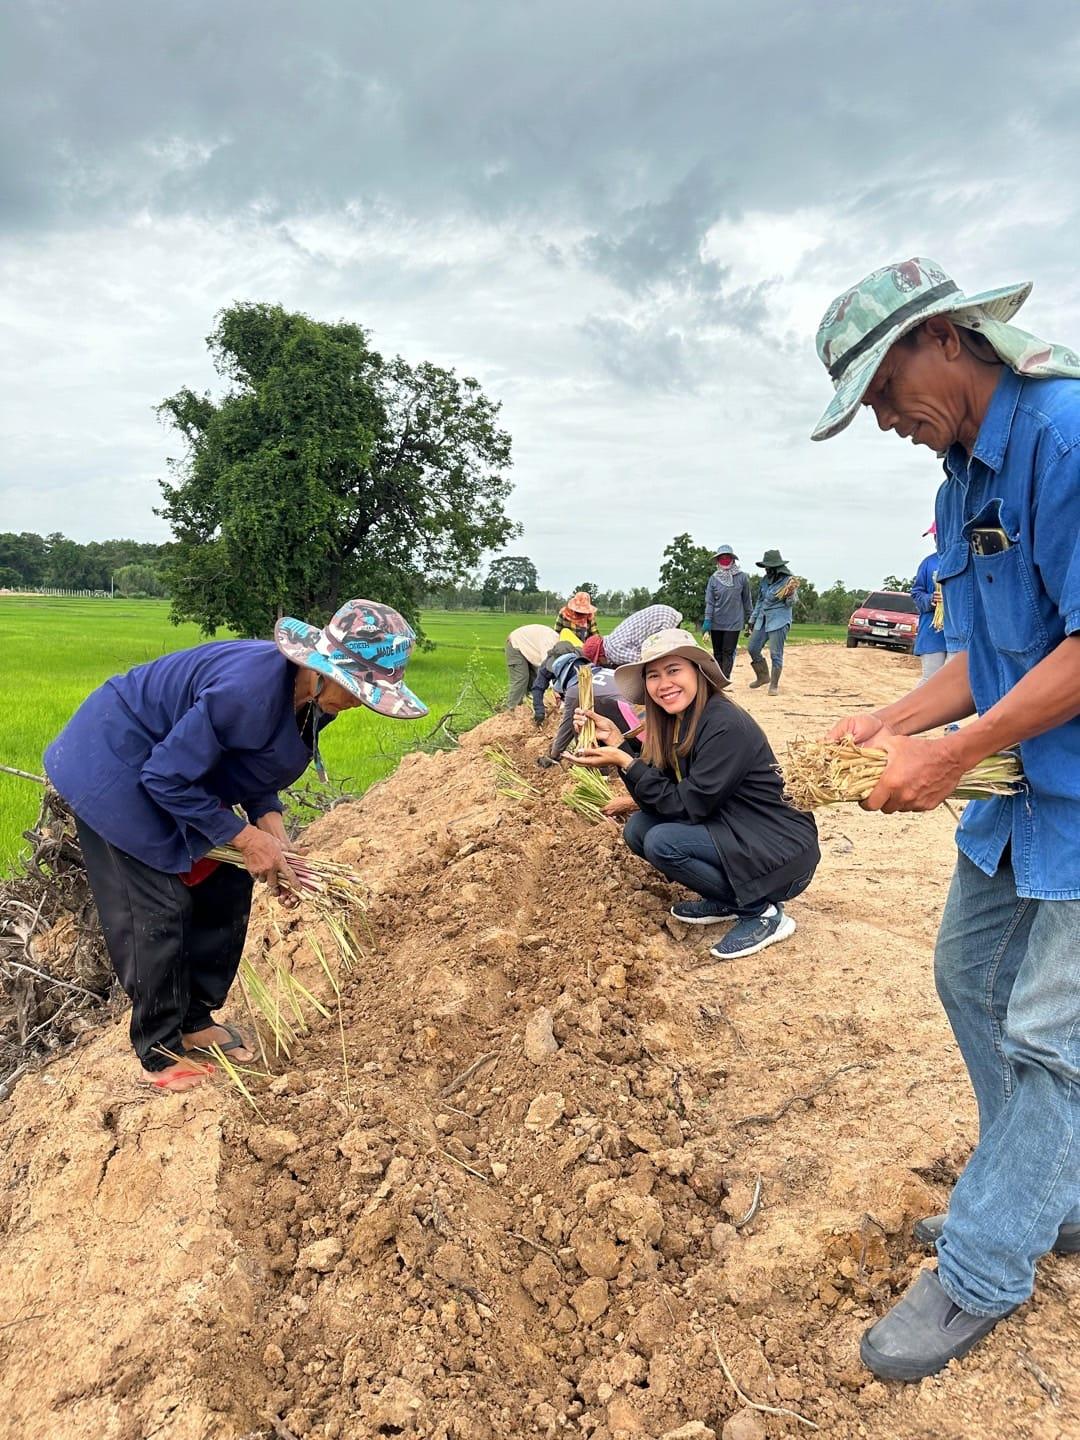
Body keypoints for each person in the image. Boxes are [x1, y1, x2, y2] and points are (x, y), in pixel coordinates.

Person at [812, 254, 1080, 1382]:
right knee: (968, 978)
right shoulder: (958, 483)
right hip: (1026, 792)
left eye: (882, 391)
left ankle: (982, 1267)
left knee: (1050, 1040)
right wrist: (891, 718)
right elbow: (983, 654)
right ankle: (1046, 1191)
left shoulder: (1065, 438)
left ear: (951, 342)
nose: (883, 420)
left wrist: (958, 752)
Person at [44, 601, 427, 1093]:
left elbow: (253, 766)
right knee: (159, 905)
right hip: (116, 763)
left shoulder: (313, 699)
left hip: (175, 770)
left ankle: (195, 1020)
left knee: (225, 884)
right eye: (358, 691)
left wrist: (277, 841)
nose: (361, 703)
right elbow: (164, 776)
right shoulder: (247, 693)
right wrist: (245, 837)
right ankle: (159, 1050)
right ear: (323, 669)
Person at [572, 629, 819, 959]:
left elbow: (684, 806)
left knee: (662, 841)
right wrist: (619, 743)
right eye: (654, 675)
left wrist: (625, 761)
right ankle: (730, 899)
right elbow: (659, 793)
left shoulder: (723, 724)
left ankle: (762, 913)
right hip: (736, 829)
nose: (664, 684)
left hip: (779, 849)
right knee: (638, 829)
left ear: (698, 672)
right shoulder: (679, 720)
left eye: (674, 670)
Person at [537, 650, 639, 766]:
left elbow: (566, 727)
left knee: (579, 713)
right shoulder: (606, 671)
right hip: (644, 720)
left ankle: (593, 764)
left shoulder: (575, 689)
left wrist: (554, 754)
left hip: (633, 731)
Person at [746, 550, 798, 695]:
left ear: (777, 568)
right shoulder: (764, 580)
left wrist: (790, 594)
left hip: (779, 620)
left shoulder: (788, 581)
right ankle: (763, 676)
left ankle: (774, 685)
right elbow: (760, 601)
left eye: (769, 567)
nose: (767, 570)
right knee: (753, 648)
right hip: (763, 619)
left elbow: (790, 603)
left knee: (776, 654)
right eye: (766, 567)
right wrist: (752, 620)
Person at [703, 545, 751, 678]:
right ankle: (718, 679)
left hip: (734, 622)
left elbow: (747, 600)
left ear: (732, 559)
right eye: (721, 558)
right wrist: (707, 620)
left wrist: (750, 619)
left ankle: (725, 678)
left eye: (727, 557)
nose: (724, 560)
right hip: (716, 621)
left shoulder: (742, 577)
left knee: (728, 651)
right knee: (717, 652)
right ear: (718, 560)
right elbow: (710, 602)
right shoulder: (713, 579)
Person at [911, 522, 948, 684]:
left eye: (938, 535)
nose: (936, 539)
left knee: (953, 683)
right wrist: (931, 599)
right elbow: (916, 594)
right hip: (933, 633)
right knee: (930, 681)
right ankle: (914, 708)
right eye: (934, 536)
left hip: (960, 633)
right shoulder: (929, 563)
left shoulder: (964, 560)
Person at [504, 622, 564, 710]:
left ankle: (532, 708)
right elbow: (546, 667)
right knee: (521, 679)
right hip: (516, 644)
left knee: (535, 682)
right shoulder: (550, 643)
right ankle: (511, 710)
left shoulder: (560, 646)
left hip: (530, 650)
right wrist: (554, 689)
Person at [602, 603, 683, 667]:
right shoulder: (612, 639)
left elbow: (642, 661)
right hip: (663, 612)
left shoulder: (613, 651)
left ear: (600, 656)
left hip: (662, 620)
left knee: (664, 659)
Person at [530, 639, 586, 725]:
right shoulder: (547, 665)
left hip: (577, 684)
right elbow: (538, 687)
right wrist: (539, 710)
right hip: (560, 681)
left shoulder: (582, 662)